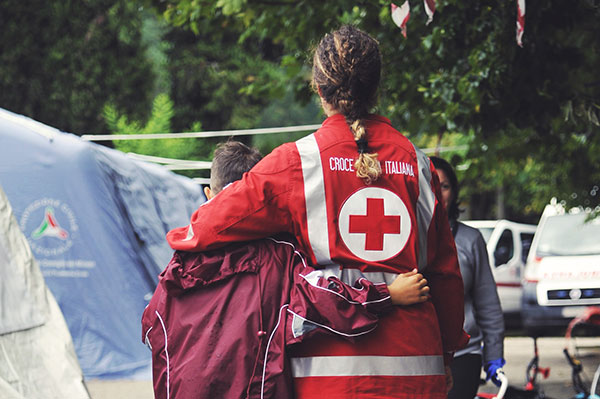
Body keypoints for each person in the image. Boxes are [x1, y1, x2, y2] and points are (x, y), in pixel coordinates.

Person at [167, 26, 468, 399]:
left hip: (329, 372)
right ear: (376, 87)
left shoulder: (298, 162)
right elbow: (445, 276)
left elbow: (211, 223)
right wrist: (448, 354)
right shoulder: (419, 166)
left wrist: (181, 238)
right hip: (417, 367)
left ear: (318, 87)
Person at [142, 141, 431, 399]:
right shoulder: (279, 251)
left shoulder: (180, 259)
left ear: (209, 193)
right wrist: (388, 295)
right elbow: (321, 300)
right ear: (257, 193)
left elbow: (151, 327)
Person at [430, 156, 506, 399]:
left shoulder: (471, 240)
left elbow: (488, 303)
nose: (437, 192)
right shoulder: (405, 242)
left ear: (454, 192)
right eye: (431, 183)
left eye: (444, 186)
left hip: (464, 354)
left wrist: (493, 354)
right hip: (419, 355)